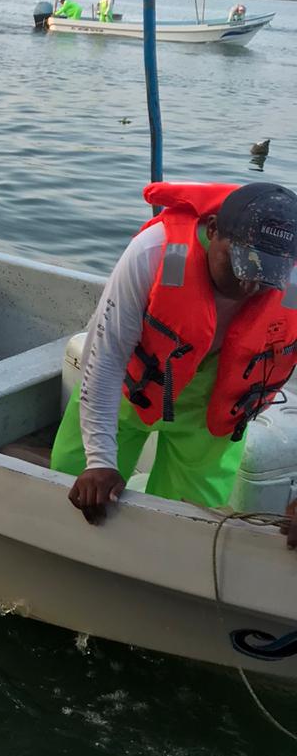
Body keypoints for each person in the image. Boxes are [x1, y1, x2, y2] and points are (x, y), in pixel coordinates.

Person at [51, 181, 297, 523]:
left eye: (267, 274)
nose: (249, 285)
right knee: (72, 491)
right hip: (129, 390)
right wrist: (100, 462)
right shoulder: (153, 252)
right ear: (212, 230)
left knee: (188, 521)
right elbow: (105, 359)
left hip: (209, 414)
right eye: (241, 262)